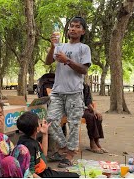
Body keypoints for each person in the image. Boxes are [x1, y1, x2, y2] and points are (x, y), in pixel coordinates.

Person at [45, 16, 91, 168]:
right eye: (71, 26)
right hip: (57, 92)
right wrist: (52, 47)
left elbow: (84, 69)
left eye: (77, 26)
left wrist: (67, 60)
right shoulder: (61, 46)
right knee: (51, 120)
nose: (73, 28)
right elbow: (48, 62)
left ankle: (69, 156)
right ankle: (65, 147)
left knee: (73, 124)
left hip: (74, 93)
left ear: (82, 31)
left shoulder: (84, 48)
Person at [17, 111, 79, 178]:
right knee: (75, 176)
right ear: (37, 129)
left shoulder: (25, 139)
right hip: (39, 175)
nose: (41, 123)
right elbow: (29, 172)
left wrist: (45, 133)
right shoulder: (30, 146)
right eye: (39, 122)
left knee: (67, 173)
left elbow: (44, 153)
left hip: (43, 171)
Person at [82, 83, 106, 154]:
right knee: (90, 117)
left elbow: (88, 102)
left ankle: (96, 141)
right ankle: (92, 142)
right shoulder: (72, 86)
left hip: (84, 109)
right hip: (74, 109)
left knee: (97, 116)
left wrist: (95, 111)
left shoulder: (85, 86)